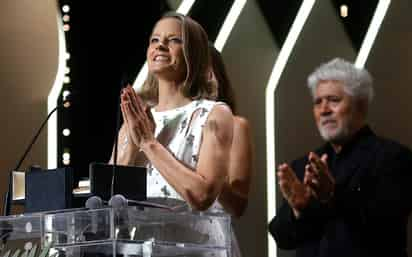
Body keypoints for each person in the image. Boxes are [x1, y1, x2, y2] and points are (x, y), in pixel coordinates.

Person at [110, 12, 237, 256]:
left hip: (195, 249)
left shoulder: (213, 114)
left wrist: (148, 143)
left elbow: (201, 196)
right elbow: (108, 196)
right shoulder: (135, 120)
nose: (161, 45)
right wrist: (132, 145)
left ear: (195, 53)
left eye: (174, 40)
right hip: (144, 247)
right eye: (154, 39)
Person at [268, 58, 412, 257]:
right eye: (318, 102)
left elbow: (384, 225)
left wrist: (332, 195)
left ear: (360, 105)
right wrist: (299, 210)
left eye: (334, 100)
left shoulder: (393, 158)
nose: (324, 110)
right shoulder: (305, 164)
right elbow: (281, 236)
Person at [208, 43, 254, 218]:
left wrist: (209, 177)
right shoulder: (160, 124)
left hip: (209, 238)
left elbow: (237, 207)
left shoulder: (235, 126)